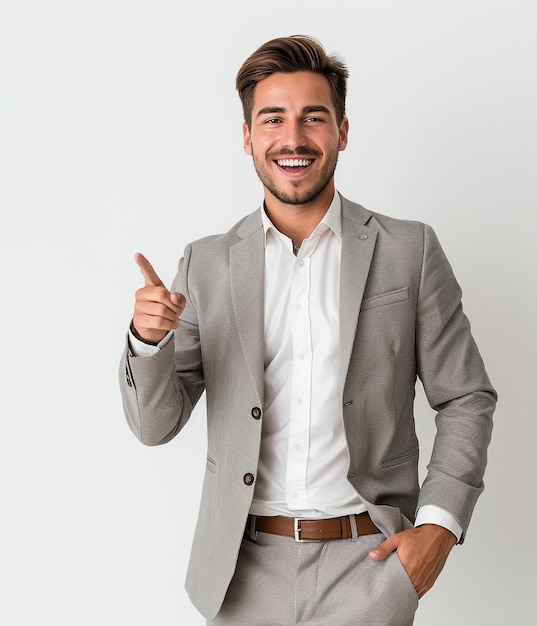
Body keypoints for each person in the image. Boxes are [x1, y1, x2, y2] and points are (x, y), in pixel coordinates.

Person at [119, 34, 496, 625]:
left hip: (368, 566)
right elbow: (154, 425)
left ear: (342, 132)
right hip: (240, 574)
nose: (292, 139)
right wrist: (149, 341)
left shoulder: (408, 252)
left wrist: (439, 529)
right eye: (273, 119)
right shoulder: (207, 264)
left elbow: (466, 396)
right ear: (248, 138)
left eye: (312, 118)